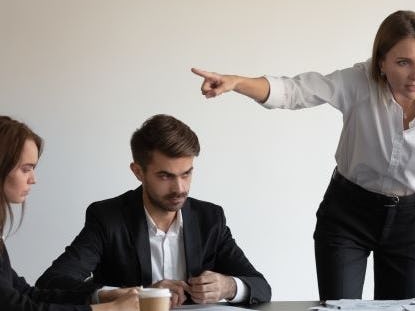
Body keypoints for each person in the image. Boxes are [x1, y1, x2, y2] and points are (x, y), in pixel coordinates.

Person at [191, 10, 415, 300]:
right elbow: (295, 91)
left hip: (413, 222)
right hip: (349, 213)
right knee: (339, 309)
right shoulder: (358, 82)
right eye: (403, 62)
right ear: (381, 62)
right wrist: (236, 82)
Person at [35, 114, 271, 307]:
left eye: (186, 173)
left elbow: (261, 287)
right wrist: (137, 294)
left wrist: (229, 286)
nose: (180, 188)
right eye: (165, 176)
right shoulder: (108, 218)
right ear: (138, 172)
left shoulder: (210, 218)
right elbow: (51, 283)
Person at [0, 115, 139, 310]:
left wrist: (101, 296)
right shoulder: (106, 216)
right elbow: (13, 307)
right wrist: (108, 309)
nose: (33, 179)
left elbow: (26, 293)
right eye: (26, 169)